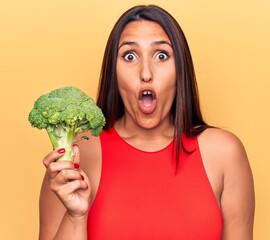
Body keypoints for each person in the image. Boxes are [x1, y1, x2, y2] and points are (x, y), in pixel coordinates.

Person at [39, 5, 255, 240]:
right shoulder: (76, 156)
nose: (146, 73)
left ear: (180, 68)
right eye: (129, 56)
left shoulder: (224, 153)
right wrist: (75, 216)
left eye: (161, 55)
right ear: (114, 71)